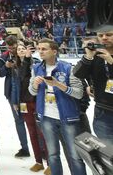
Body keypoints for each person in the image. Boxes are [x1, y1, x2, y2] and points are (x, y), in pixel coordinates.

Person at [29, 38, 86, 175]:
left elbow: (79, 93)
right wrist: (35, 85)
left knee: (75, 156)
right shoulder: (36, 68)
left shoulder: (68, 68)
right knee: (53, 155)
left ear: (54, 51)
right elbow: (31, 91)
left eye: (44, 49)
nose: (40, 51)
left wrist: (58, 85)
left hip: (68, 117)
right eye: (39, 49)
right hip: (46, 118)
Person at [73, 32, 113, 145]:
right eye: (100, 36)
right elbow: (77, 74)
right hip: (103, 111)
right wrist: (88, 57)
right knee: (109, 151)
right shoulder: (95, 56)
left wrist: (111, 61)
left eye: (109, 34)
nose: (104, 37)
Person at [16, 41, 49, 173]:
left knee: (43, 133)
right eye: (19, 49)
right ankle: (38, 161)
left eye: (24, 48)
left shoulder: (35, 63)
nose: (23, 50)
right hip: (24, 102)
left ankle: (50, 163)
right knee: (32, 132)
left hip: (37, 101)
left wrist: (29, 58)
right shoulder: (18, 65)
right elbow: (20, 78)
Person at [0, 35, 30, 158]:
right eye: (9, 48)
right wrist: (6, 66)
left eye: (13, 47)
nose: (11, 50)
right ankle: (25, 147)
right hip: (12, 93)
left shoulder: (24, 55)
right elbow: (0, 74)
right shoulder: (4, 57)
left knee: (33, 122)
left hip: (27, 94)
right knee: (19, 121)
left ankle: (42, 149)